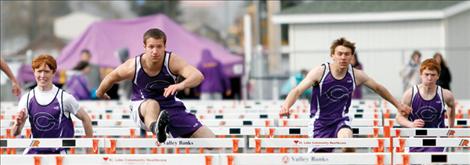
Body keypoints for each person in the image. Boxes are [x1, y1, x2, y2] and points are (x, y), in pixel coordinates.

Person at [279, 37, 411, 153]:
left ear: (352, 56)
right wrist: (286, 106)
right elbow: (297, 90)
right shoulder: (320, 72)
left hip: (341, 120)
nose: (343, 57)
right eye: (340, 54)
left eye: (347, 54)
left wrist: (398, 105)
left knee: (346, 142)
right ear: (333, 55)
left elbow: (378, 88)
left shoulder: (356, 74)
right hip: (320, 123)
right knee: (319, 158)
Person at [96, 28, 215, 143]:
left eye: (159, 46)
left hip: (170, 106)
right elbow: (111, 77)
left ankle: (163, 127)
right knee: (153, 104)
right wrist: (100, 92)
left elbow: (198, 76)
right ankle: (157, 129)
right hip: (143, 106)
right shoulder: (133, 66)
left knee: (211, 141)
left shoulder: (172, 61)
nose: (155, 51)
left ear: (165, 46)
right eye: (151, 47)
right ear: (144, 47)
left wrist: (180, 85)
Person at [11, 54, 93, 154]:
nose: (42, 75)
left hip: (58, 153)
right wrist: (17, 124)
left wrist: (89, 147)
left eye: (46, 72)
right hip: (34, 150)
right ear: (34, 72)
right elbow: (15, 133)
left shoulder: (65, 98)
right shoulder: (26, 98)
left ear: (53, 73)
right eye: (39, 71)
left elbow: (86, 119)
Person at [396, 58, 455, 152]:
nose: (429, 78)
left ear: (438, 76)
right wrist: (411, 124)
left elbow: (451, 106)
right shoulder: (410, 94)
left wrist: (451, 130)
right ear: (421, 75)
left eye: (433, 75)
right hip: (414, 141)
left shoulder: (445, 95)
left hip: (437, 141)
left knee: (434, 161)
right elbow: (399, 117)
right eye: (426, 74)